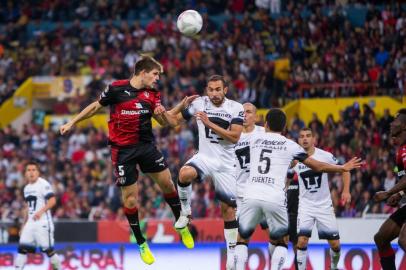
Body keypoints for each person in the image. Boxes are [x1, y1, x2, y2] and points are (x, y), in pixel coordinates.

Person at [60, 56, 195, 265]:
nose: (158, 78)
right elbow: (96, 107)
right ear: (143, 72)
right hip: (123, 151)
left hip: (146, 146)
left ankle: (181, 223)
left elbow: (166, 122)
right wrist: (72, 121)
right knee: (131, 200)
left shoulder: (153, 94)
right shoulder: (116, 89)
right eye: (155, 74)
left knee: (168, 183)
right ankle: (141, 242)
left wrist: (169, 111)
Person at [234, 108, 362, 270]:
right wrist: (342, 167)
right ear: (285, 127)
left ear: (265, 124)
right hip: (275, 197)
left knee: (242, 239)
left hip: (251, 195)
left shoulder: (254, 138)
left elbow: (235, 139)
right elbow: (317, 166)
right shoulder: (290, 146)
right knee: (283, 241)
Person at [161, 75, 244, 270]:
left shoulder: (235, 108)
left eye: (218, 89)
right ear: (207, 90)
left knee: (228, 211)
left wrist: (209, 124)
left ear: (225, 90)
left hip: (226, 162)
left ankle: (231, 253)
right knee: (184, 173)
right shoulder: (199, 103)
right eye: (211, 89)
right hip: (205, 157)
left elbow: (234, 137)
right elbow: (172, 122)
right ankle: (186, 211)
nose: (214, 93)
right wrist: (176, 107)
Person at [293, 128, 351, 270]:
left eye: (308, 136)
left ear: (314, 139)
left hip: (324, 206)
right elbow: (285, 177)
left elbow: (345, 170)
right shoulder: (294, 159)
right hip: (305, 206)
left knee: (335, 245)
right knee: (301, 241)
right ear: (298, 140)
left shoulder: (325, 156)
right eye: (301, 136)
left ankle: (333, 266)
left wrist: (346, 190)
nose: (305, 139)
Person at [234, 103, 278, 259]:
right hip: (242, 195)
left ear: (256, 116)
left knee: (274, 237)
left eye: (248, 112)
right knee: (241, 238)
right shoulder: (233, 135)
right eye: (241, 112)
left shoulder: (265, 133)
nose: (244, 115)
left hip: (264, 192)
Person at [373, 108, 406, 270]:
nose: (392, 123)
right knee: (381, 238)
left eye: (397, 121)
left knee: (404, 240)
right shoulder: (400, 151)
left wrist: (388, 192)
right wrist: (400, 194)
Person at [15, 161, 62, 270]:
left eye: (34, 170)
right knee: (22, 249)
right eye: (29, 170)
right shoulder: (26, 188)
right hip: (31, 223)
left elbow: (52, 200)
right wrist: (23, 225)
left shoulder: (43, 184)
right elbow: (28, 208)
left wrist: (41, 212)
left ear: (38, 172)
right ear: (25, 173)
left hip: (43, 222)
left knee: (48, 251)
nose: (31, 173)